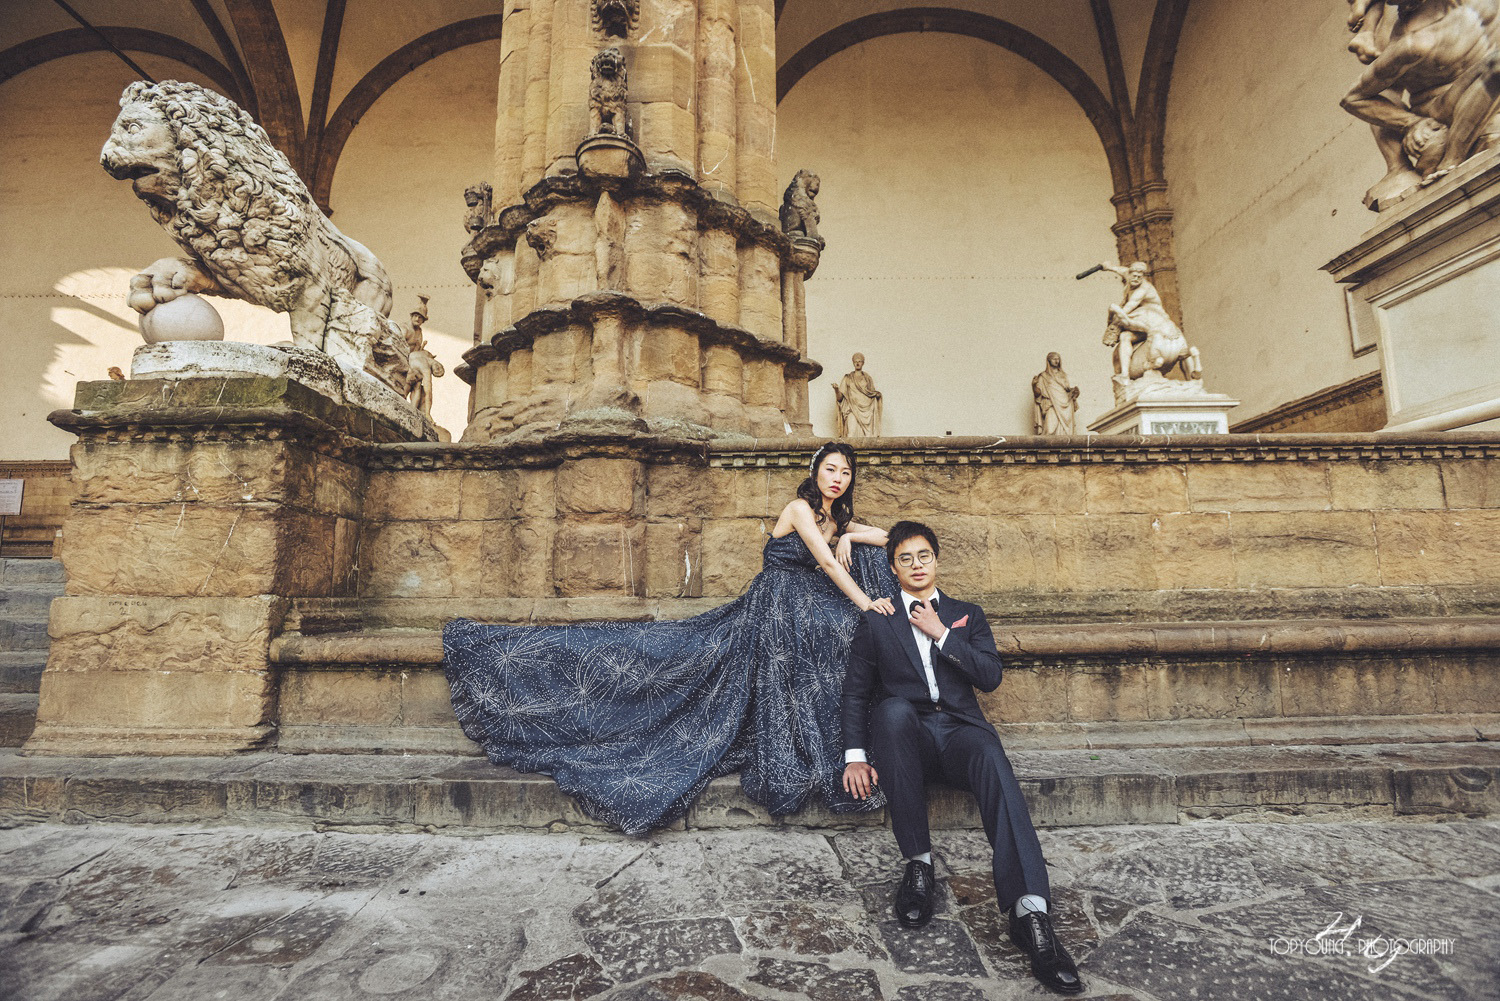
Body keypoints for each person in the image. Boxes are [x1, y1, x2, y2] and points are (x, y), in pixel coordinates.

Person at [442, 442, 897, 835]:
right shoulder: (799, 509)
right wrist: (865, 603)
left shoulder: (835, 520)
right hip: (769, 605)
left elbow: (891, 537)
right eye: (830, 469)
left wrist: (850, 537)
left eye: (846, 472)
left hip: (792, 613)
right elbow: (828, 565)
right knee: (667, 653)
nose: (837, 478)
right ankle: (513, 657)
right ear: (815, 472)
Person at [841, 521, 1084, 995]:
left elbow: (990, 676)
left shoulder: (966, 615)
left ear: (936, 560)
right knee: (891, 710)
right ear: (893, 568)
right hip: (907, 738)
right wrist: (854, 756)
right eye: (906, 558)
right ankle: (919, 865)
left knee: (991, 753)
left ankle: (1031, 914)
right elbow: (855, 693)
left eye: (924, 556)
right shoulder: (878, 619)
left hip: (959, 733)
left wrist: (941, 635)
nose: (916, 565)